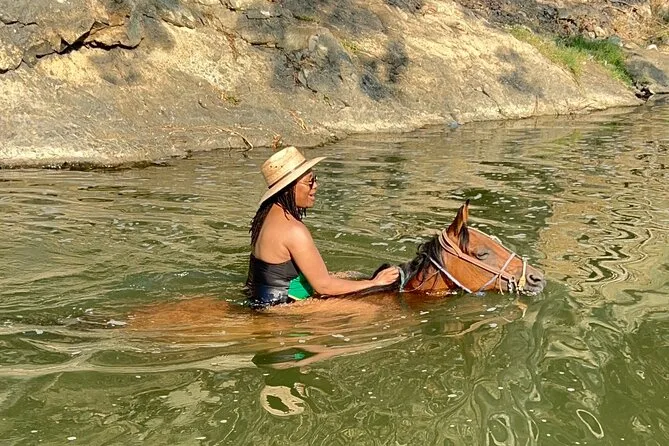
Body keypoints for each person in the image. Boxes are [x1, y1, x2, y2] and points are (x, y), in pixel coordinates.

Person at [246, 146, 400, 309]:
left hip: (262, 302)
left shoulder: (267, 216)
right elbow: (324, 286)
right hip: (282, 310)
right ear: (288, 189)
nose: (315, 186)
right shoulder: (293, 230)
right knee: (372, 309)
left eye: (315, 179)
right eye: (309, 182)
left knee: (350, 275)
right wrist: (374, 282)